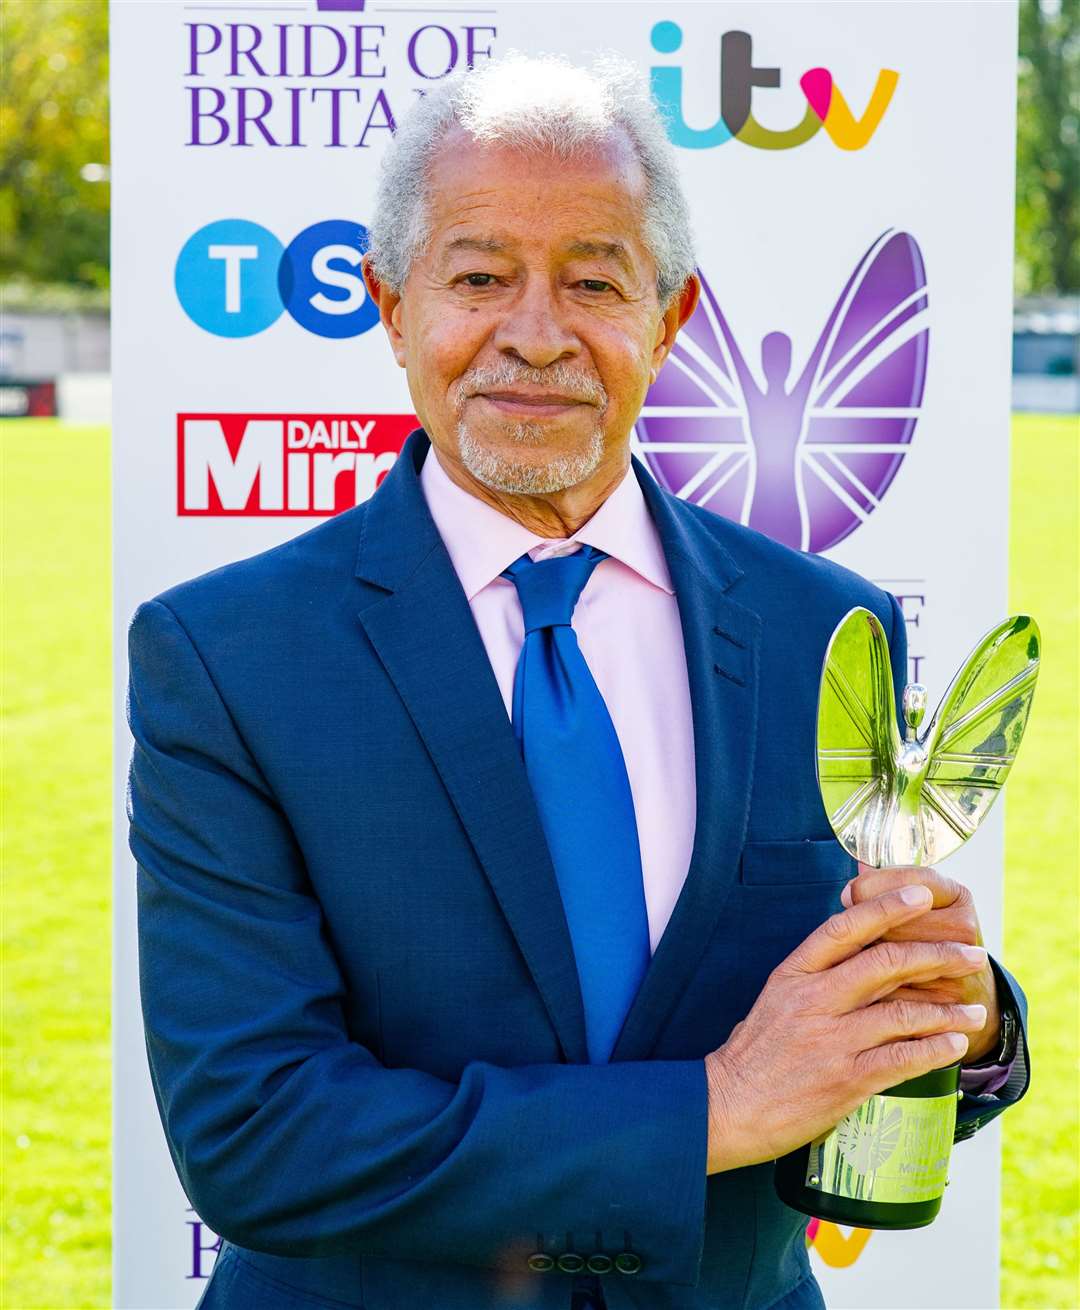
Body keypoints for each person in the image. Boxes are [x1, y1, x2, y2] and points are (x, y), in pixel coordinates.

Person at [126, 53, 1027, 1310]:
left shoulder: (827, 626)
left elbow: (841, 1011)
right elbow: (256, 1130)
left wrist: (964, 1027)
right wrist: (707, 1112)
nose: (535, 333)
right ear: (391, 307)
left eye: (593, 281)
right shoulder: (228, 658)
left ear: (670, 318)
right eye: (481, 276)